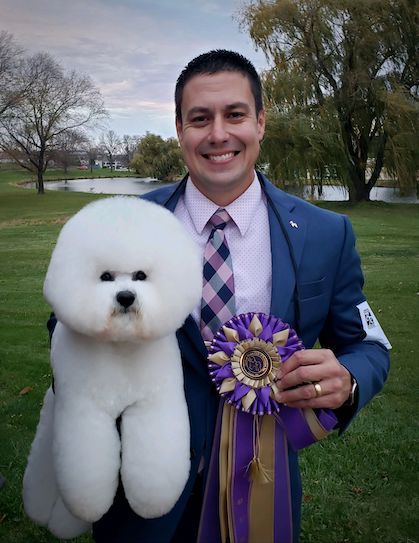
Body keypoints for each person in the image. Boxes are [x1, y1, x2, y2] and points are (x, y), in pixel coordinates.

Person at [92, 50, 390, 542]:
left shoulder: (326, 233)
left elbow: (368, 346)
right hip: (139, 492)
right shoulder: (123, 222)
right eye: (199, 119)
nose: (218, 134)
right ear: (179, 129)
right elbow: (68, 326)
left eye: (234, 114)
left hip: (262, 486)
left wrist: (350, 379)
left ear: (260, 122)